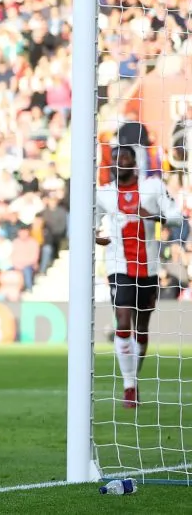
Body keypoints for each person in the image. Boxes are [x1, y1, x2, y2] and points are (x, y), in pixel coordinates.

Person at [95, 145, 185, 408]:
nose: (120, 163)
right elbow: (91, 221)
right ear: (111, 164)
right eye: (116, 159)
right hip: (118, 265)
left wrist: (154, 216)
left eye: (125, 158)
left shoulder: (153, 187)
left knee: (141, 327)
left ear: (134, 164)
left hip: (149, 268)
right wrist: (96, 236)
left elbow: (177, 217)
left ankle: (133, 378)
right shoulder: (104, 194)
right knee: (122, 320)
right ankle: (129, 386)